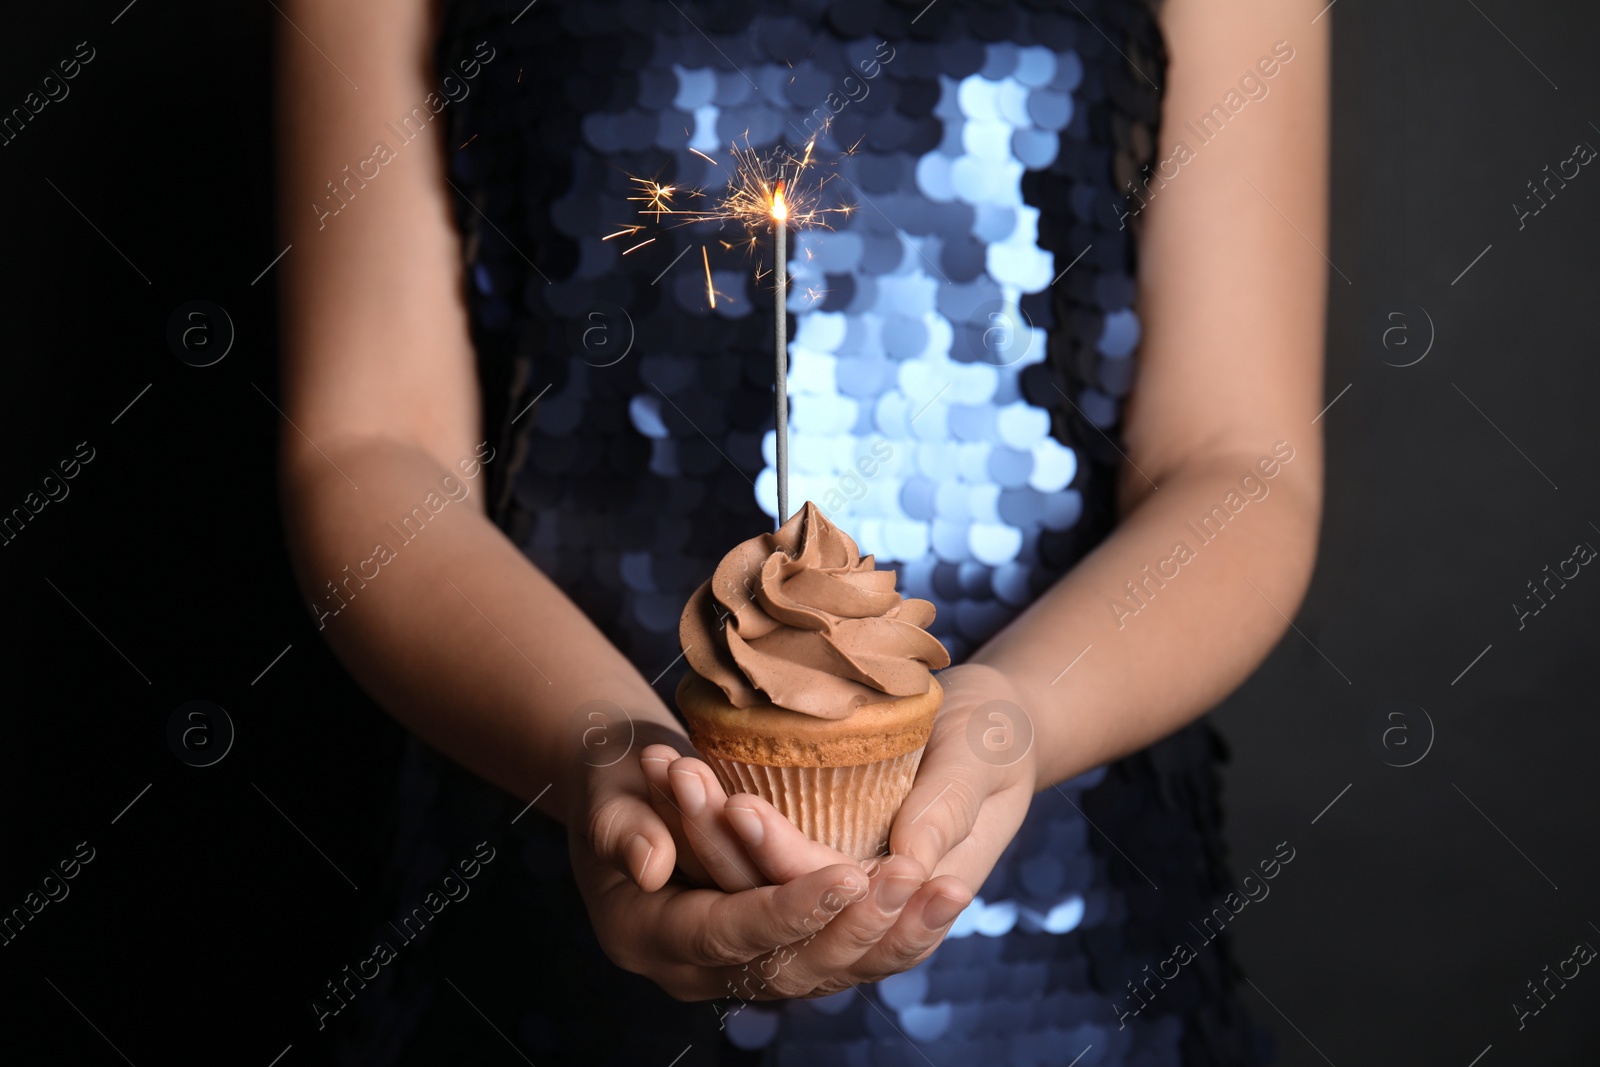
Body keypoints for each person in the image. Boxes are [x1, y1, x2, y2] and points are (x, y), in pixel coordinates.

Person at [275, 0, 1326, 1061]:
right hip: (523, 924)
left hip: (1081, 959)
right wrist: (600, 747)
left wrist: (1018, 718)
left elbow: (1237, 460)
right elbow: (369, 448)